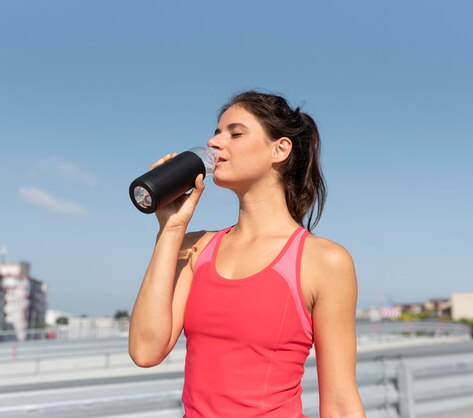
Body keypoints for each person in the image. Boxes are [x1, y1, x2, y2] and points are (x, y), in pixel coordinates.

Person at [128, 90, 365, 418]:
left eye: (235, 133)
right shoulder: (194, 247)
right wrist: (169, 230)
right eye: (216, 133)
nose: (215, 143)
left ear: (279, 149)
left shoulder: (324, 261)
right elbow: (145, 350)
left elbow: (340, 404)